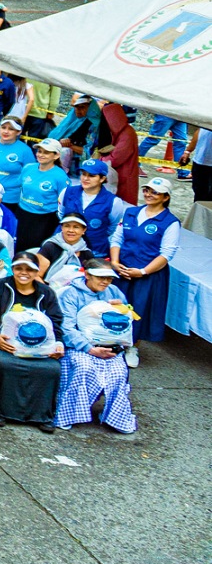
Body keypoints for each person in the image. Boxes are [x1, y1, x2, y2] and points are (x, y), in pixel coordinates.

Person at [0, 252, 63, 432]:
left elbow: (56, 321)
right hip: (5, 342)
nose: (24, 273)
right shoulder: (1, 286)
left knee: (51, 368)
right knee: (5, 363)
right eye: (19, 268)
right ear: (13, 269)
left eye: (29, 269)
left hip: (41, 345)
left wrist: (58, 344)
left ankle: (43, 415)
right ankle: (2, 411)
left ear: (36, 272)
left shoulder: (46, 293)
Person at [55, 261, 137, 432]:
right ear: (87, 275)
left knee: (118, 373)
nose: (105, 282)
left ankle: (116, 419)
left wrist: (122, 308)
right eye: (100, 277)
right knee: (83, 367)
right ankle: (68, 414)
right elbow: (66, 327)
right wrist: (89, 348)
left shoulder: (114, 292)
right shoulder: (71, 294)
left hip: (109, 345)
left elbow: (124, 324)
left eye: (109, 278)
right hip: (78, 346)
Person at [108, 175, 178, 366]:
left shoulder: (170, 222)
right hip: (122, 270)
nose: (149, 194)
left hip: (148, 275)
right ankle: (111, 341)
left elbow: (166, 254)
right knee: (115, 306)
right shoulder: (131, 212)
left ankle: (132, 347)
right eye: (147, 190)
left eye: (156, 192)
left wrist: (143, 272)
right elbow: (117, 239)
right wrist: (114, 262)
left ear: (165, 197)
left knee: (139, 310)